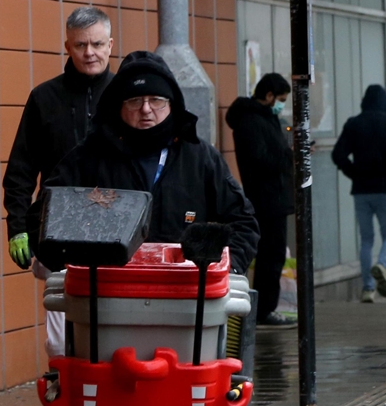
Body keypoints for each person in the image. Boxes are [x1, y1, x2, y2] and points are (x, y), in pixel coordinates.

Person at [28, 50, 259, 278]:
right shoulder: (89, 156)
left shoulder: (200, 157)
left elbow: (243, 223)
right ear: (119, 106)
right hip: (106, 298)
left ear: (172, 104)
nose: (146, 109)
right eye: (135, 100)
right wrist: (75, 269)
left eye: (156, 100)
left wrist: (226, 270)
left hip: (187, 299)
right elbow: (43, 217)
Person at [3, 6, 115, 358]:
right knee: (59, 343)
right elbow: (21, 169)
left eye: (97, 43)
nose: (89, 53)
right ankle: (65, 397)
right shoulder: (44, 98)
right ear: (67, 46)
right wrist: (17, 227)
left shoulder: (126, 99)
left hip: (117, 229)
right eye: (81, 45)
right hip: (56, 232)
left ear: (111, 45)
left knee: (110, 334)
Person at [226, 73, 296, 327]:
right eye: (280, 99)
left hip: (273, 197)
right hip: (267, 199)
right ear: (268, 96)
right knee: (270, 255)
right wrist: (288, 156)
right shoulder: (251, 121)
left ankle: (265, 307)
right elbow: (261, 159)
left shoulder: (266, 118)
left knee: (272, 254)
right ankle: (265, 309)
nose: (281, 105)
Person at [332, 84, 386, 303]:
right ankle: (382, 265)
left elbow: (338, 155)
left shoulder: (354, 124)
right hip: (385, 190)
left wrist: (353, 173)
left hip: (361, 190)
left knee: (366, 240)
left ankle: (367, 289)